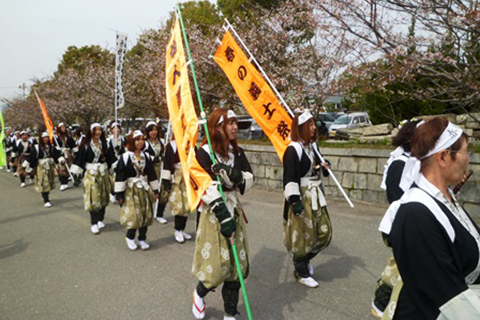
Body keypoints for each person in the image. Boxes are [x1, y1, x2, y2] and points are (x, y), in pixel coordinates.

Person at [379, 117, 480, 319]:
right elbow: (449, 296)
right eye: (464, 152)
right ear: (442, 158)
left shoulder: (445, 197)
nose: (468, 159)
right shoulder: (416, 214)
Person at [192, 108, 254, 320]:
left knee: (236, 266)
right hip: (213, 213)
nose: (235, 127)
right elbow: (203, 184)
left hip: (234, 209)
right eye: (229, 123)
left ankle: (230, 313)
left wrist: (237, 176)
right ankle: (200, 293)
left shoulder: (237, 153)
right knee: (216, 266)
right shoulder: (204, 153)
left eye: (236, 122)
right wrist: (221, 212)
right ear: (217, 128)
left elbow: (249, 177)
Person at [372, 119, 421, 318]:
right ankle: (382, 301)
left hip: (415, 221)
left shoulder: (416, 159)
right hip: (404, 222)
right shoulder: (400, 163)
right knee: (399, 267)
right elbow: (396, 198)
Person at [282, 109, 333, 288]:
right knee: (303, 236)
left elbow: (315, 167)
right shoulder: (293, 149)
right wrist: (294, 201)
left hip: (315, 195)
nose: (314, 127)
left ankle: (301, 261)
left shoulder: (312, 147)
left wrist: (323, 167)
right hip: (302, 196)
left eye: (314, 124)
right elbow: (289, 176)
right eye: (310, 124)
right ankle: (301, 271)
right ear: (302, 127)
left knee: (324, 232)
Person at [114, 130, 159, 251]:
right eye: (137, 139)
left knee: (145, 214)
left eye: (142, 139)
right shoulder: (125, 157)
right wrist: (119, 194)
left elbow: (151, 174)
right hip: (131, 189)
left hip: (144, 188)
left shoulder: (146, 156)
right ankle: (130, 237)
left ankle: (142, 238)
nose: (140, 142)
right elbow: (120, 175)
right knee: (134, 215)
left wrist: (155, 190)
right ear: (132, 141)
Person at [71, 123, 113, 234]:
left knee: (103, 197)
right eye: (96, 130)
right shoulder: (86, 145)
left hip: (103, 173)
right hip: (91, 174)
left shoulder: (105, 144)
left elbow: (111, 157)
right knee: (93, 197)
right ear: (91, 131)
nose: (98, 132)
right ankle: (93, 222)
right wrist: (76, 172)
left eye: (100, 130)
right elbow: (80, 158)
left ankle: (100, 219)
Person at [162, 135, 192, 243]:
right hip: (177, 179)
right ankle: (177, 229)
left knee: (187, 206)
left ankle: (182, 229)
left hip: (188, 179)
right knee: (179, 205)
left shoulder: (192, 145)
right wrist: (166, 183)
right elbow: (167, 164)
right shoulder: (172, 145)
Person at [23, 132, 62, 207]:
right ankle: (46, 199)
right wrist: (26, 165)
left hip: (49, 166)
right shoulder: (37, 147)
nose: (46, 139)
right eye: (44, 137)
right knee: (43, 182)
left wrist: (61, 159)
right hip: (41, 166)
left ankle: (47, 195)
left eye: (47, 137)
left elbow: (57, 154)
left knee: (49, 181)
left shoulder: (51, 147)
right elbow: (32, 157)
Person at [143, 121, 168, 224]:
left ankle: (159, 214)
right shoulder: (144, 143)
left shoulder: (162, 142)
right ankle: (147, 213)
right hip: (150, 170)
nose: (153, 132)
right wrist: (154, 158)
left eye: (155, 130)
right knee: (150, 192)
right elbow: (143, 155)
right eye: (151, 130)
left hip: (161, 169)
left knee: (163, 192)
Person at [106, 122, 126, 204]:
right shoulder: (108, 140)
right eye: (115, 128)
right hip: (112, 162)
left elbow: (126, 150)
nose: (117, 130)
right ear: (111, 130)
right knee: (113, 178)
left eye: (118, 128)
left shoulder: (123, 139)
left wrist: (121, 150)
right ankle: (112, 192)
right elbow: (108, 153)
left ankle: (120, 193)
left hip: (121, 161)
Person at [55, 123, 76, 191]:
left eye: (64, 127)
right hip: (61, 153)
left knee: (69, 167)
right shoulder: (56, 138)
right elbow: (54, 147)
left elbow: (73, 145)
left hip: (68, 153)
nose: (64, 128)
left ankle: (69, 179)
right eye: (62, 127)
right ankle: (63, 183)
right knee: (62, 168)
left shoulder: (68, 136)